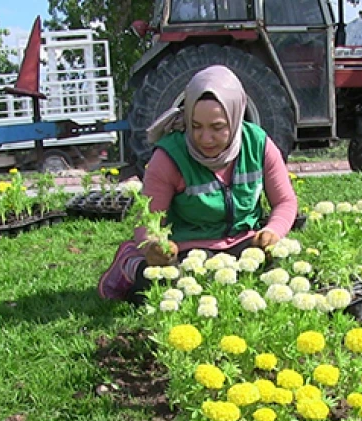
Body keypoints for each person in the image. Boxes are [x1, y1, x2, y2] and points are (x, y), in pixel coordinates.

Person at [98, 66, 297, 302]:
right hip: (188, 251)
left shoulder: (258, 144)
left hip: (243, 244)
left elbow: (285, 200)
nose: (205, 138)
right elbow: (147, 220)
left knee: (286, 273)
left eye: (217, 127)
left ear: (235, 118)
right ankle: (129, 262)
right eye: (196, 126)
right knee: (172, 290)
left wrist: (272, 231)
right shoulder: (169, 156)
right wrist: (153, 246)